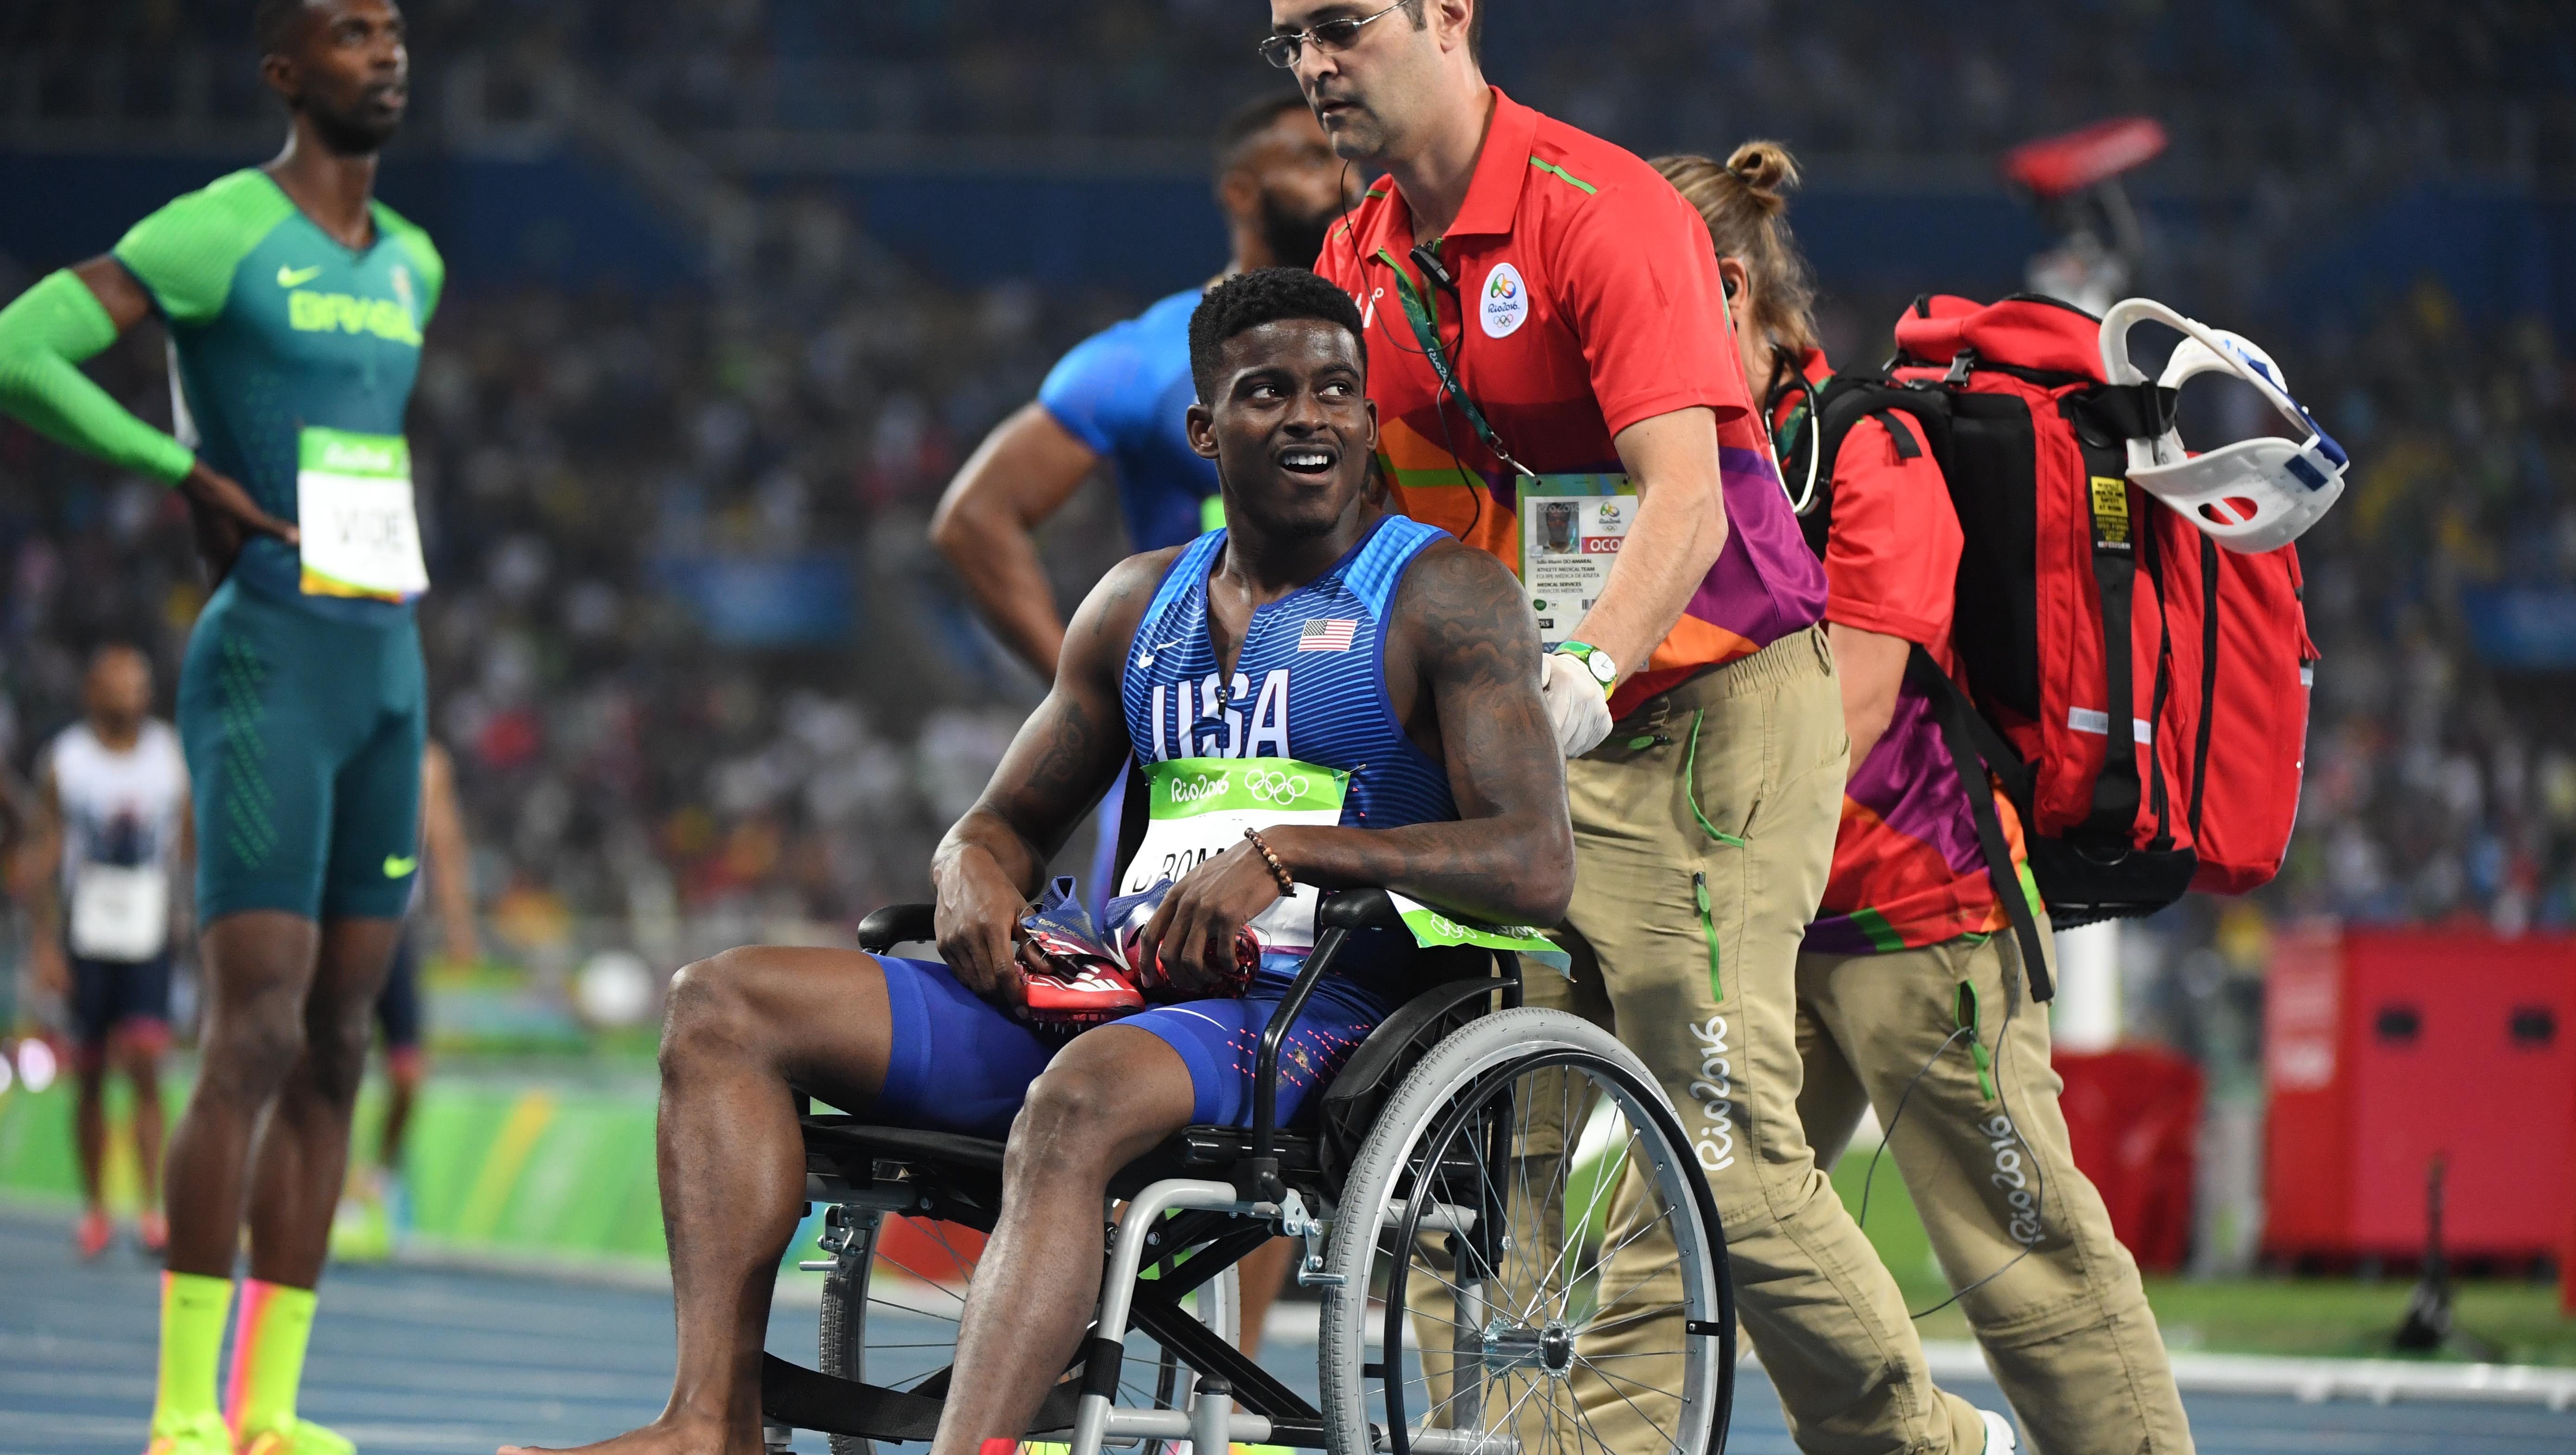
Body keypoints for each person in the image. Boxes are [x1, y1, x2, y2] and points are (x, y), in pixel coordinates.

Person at [501, 268, 1573, 1455]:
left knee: (1079, 1097)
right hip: (1110, 985)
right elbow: (1003, 819)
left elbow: (1533, 861)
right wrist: (971, 868)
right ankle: (710, 1421)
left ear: (1370, 422)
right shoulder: (1132, 605)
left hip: (1312, 1012)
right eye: (1269, 393)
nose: (1311, 417)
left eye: (1336, 391)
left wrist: (1287, 850)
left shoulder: (1445, 596)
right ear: (1206, 429)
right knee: (719, 1004)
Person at [1283, 3, 2013, 1450]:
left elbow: (1677, 495)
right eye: (1287, 39)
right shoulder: (1352, 256)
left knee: (1720, 1151)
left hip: (1705, 710)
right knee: (1462, 1147)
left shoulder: (1598, 211)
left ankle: (1925, 1444)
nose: (1311, 64)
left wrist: (1579, 674)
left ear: (1445, 17)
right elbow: (1382, 517)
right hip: (1516, 738)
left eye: (1341, 26)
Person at [1660, 141, 2196, 1455]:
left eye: (1635, 306)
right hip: (1769, 919)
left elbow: (1845, 706)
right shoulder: (1688, 472)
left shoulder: (1869, 447)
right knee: (1697, 1221)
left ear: (1727, 292)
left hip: (1917, 914)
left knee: (2024, 1256)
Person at [0, 4, 439, 1453]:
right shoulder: (216, 230)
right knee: (249, 1032)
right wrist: (174, 465)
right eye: (347, 32)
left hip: (388, 663)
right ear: (285, 73)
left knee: (337, 1045)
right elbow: (21, 348)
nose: (382, 50)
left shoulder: (416, 265)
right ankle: (183, 1408)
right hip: (267, 662)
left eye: (393, 29)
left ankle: (271, 1409)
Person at [927, 94, 1348, 1350]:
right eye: (1300, 152)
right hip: (1181, 774)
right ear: (1239, 187)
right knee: (1125, 1042)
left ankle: (1217, 1385)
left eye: (1342, 151)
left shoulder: (1383, 341)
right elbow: (973, 515)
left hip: (1328, 737)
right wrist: (1098, 690)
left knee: (1277, 1067)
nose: (1330, 171)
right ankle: (1087, 1359)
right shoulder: (1142, 355)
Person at [26, 644, 193, 1262]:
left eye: (140, 681)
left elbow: (192, 844)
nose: (130, 692)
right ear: (93, 690)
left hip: (149, 930)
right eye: (117, 681)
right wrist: (43, 944)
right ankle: (96, 1205)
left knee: (147, 1061)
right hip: (86, 930)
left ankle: (151, 1206)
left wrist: (193, 922)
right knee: (90, 1073)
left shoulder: (170, 757)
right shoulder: (68, 761)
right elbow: (44, 857)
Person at [331, 739, 477, 1262]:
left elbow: (445, 841)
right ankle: (338, 1194)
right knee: (337, 1066)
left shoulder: (429, 762)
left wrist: (459, 923)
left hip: (396, 931)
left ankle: (380, 1176)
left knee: (408, 1073)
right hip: (338, 924)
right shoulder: (338, 741)